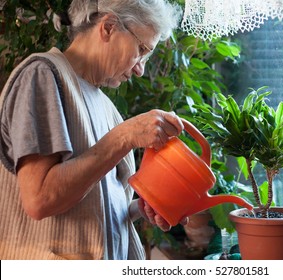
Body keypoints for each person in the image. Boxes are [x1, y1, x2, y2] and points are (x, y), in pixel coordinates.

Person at [0, 0, 187, 260]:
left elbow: (93, 208)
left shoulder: (107, 106)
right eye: (142, 49)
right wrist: (125, 136)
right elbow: (40, 199)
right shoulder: (42, 75)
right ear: (109, 27)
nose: (140, 69)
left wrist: (141, 208)